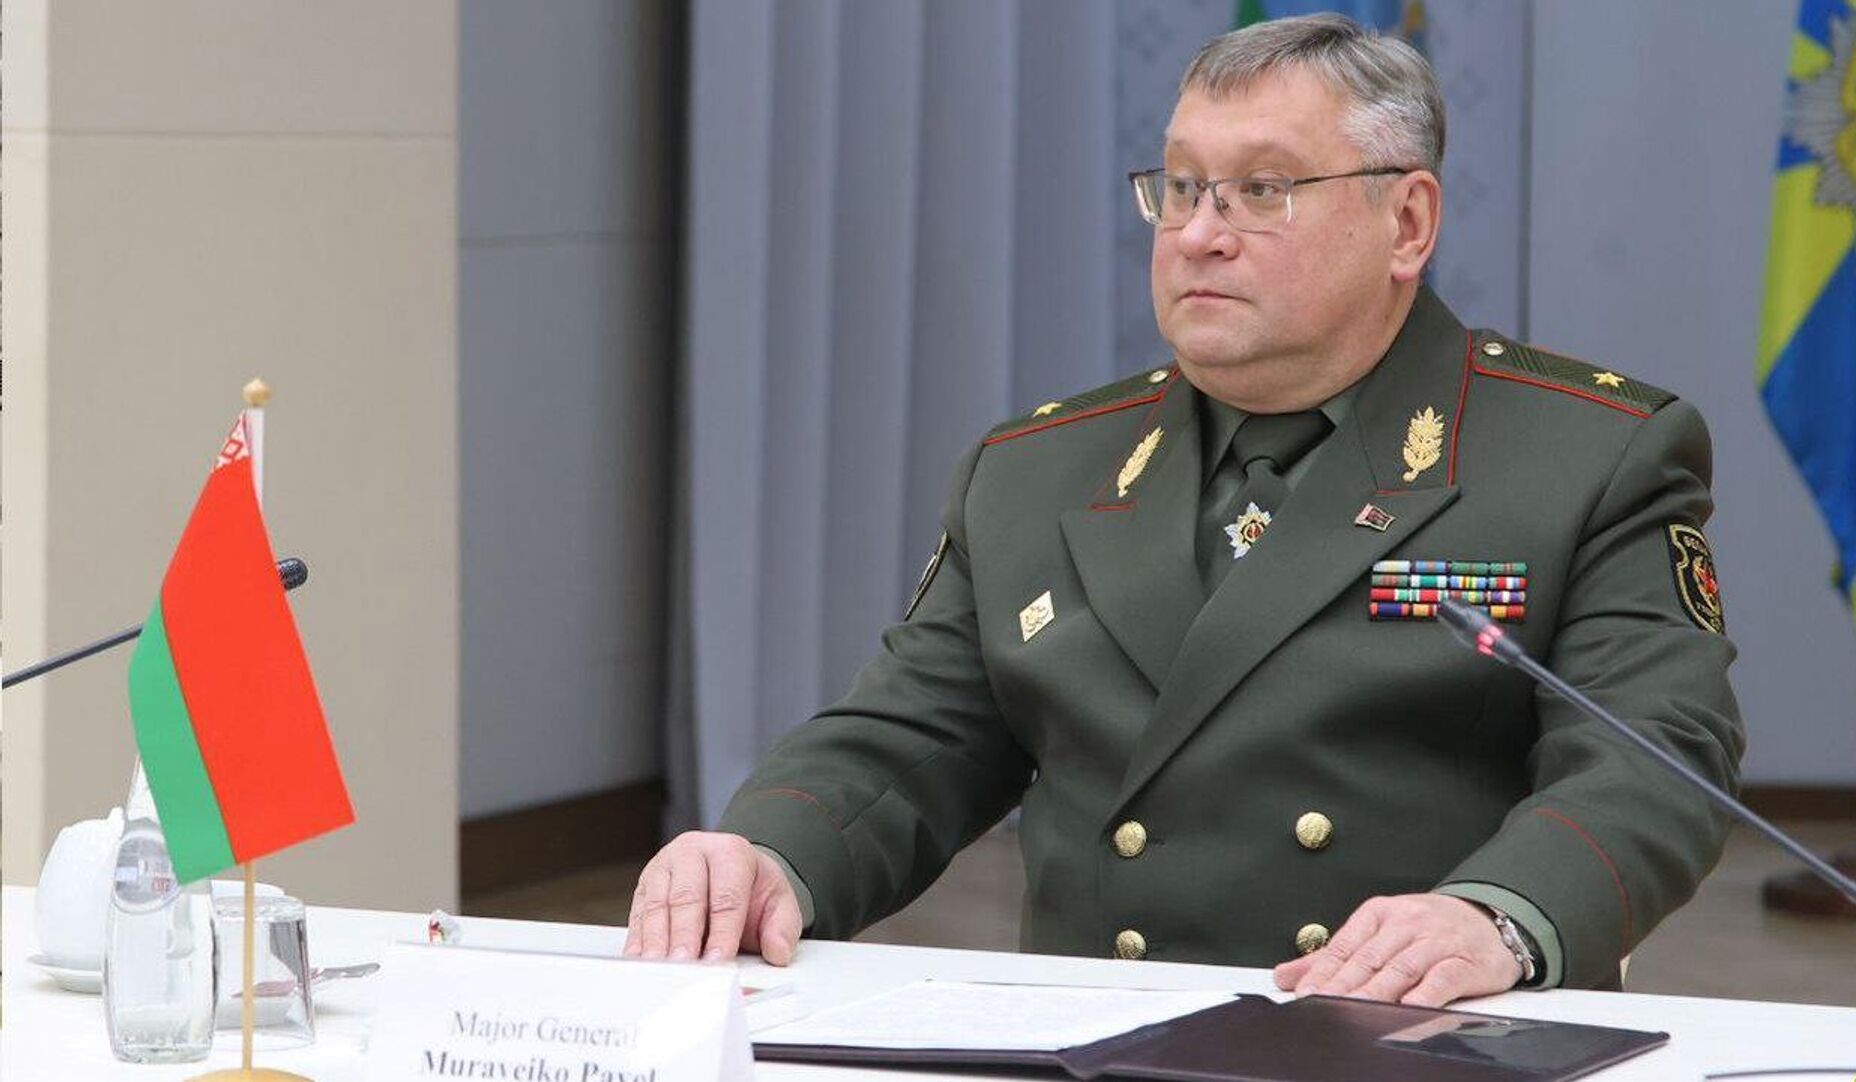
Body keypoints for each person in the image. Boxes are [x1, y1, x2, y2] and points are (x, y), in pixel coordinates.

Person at [624, 13, 1743, 1008]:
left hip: (1414, 1033)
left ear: (1407, 222)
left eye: (1263, 190)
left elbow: (1652, 755)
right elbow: (916, 737)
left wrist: (1499, 916)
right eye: (1181, 186)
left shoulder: (1585, 456)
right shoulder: (1037, 469)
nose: (1200, 232)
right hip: (1102, 1037)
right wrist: (767, 854)